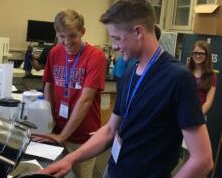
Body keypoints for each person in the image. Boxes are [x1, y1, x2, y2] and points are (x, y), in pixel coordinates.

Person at [38, 1, 213, 178]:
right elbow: (109, 131)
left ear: (138, 32)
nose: (113, 46)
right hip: (115, 169)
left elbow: (203, 160)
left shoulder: (178, 78)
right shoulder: (130, 73)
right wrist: (70, 159)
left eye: (116, 38)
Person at [33, 9, 106, 178]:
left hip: (81, 136)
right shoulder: (55, 53)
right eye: (61, 36)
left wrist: (63, 135)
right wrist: (50, 122)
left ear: (82, 32)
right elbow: (49, 87)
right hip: (57, 131)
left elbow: (86, 100)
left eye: (72, 36)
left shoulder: (96, 57)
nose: (67, 42)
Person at [187, 40, 217, 116]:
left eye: (201, 53)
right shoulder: (184, 71)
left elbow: (209, 101)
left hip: (199, 115)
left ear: (207, 55)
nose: (197, 56)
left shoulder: (211, 75)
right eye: (195, 53)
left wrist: (198, 115)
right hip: (182, 114)